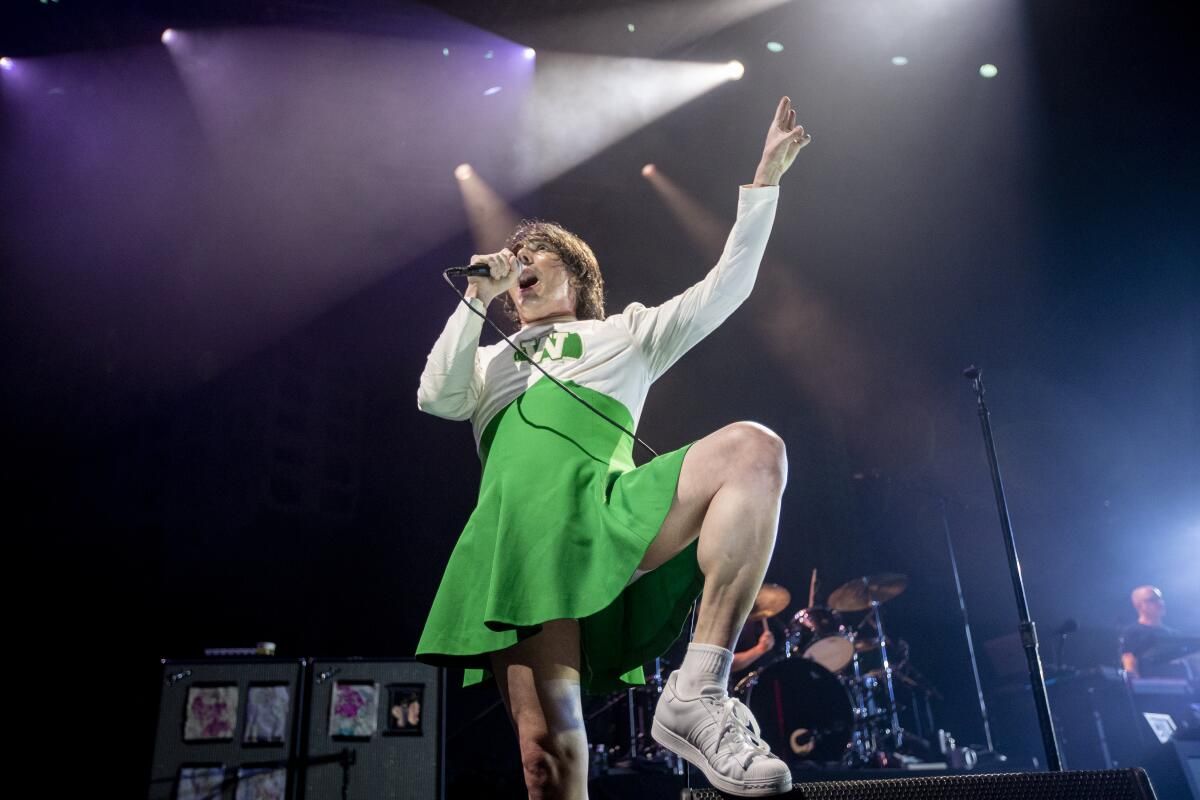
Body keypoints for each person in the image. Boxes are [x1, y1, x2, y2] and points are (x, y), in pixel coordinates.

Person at [415, 96, 811, 798]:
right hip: (523, 542)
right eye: (512, 258)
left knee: (755, 450)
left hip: (609, 515)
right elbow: (435, 398)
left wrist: (764, 184)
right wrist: (475, 299)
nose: (518, 262)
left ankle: (698, 689)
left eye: (533, 254)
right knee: (547, 760)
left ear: (574, 272)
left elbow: (728, 287)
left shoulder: (625, 334)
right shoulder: (490, 360)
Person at [1120, 585, 1187, 680]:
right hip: (1149, 687)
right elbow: (1129, 665)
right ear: (1139, 605)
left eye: (1160, 598)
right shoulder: (1131, 633)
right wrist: (1140, 685)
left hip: (1176, 686)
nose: (1160, 603)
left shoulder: (1174, 634)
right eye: (1152, 599)